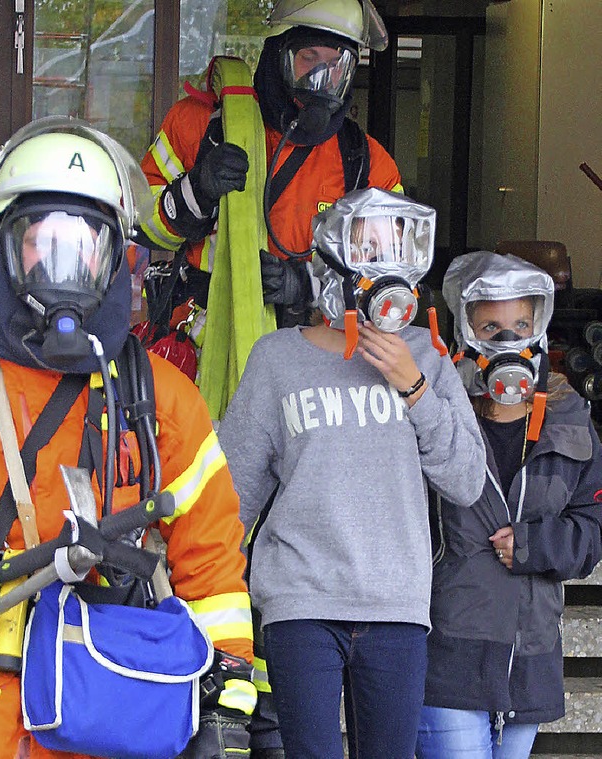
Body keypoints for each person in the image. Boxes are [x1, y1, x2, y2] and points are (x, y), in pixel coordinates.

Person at [0, 117, 256, 759]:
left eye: (84, 243)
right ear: (4, 247)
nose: (64, 264)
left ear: (112, 259)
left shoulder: (161, 402)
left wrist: (226, 705)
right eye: (44, 239)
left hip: (105, 711)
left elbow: (211, 568)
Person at [217, 188, 486, 759]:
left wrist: (414, 387)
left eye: (395, 246)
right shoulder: (277, 358)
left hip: (397, 605)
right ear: (330, 260)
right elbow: (231, 493)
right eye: (367, 245)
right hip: (300, 602)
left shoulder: (428, 357)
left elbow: (465, 480)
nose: (383, 262)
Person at [416, 251, 602, 759]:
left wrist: (534, 544)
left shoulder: (569, 414)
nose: (509, 340)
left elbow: (592, 525)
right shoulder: (436, 409)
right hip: (449, 652)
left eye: (522, 323)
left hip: (532, 655)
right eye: (492, 326)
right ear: (467, 330)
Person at [137, 0, 404, 332]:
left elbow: (392, 279)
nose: (324, 77)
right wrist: (197, 190)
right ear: (279, 54)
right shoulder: (198, 124)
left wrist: (308, 286)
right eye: (309, 58)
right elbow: (141, 224)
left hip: (315, 356)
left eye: (338, 64)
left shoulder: (367, 162)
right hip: (207, 341)